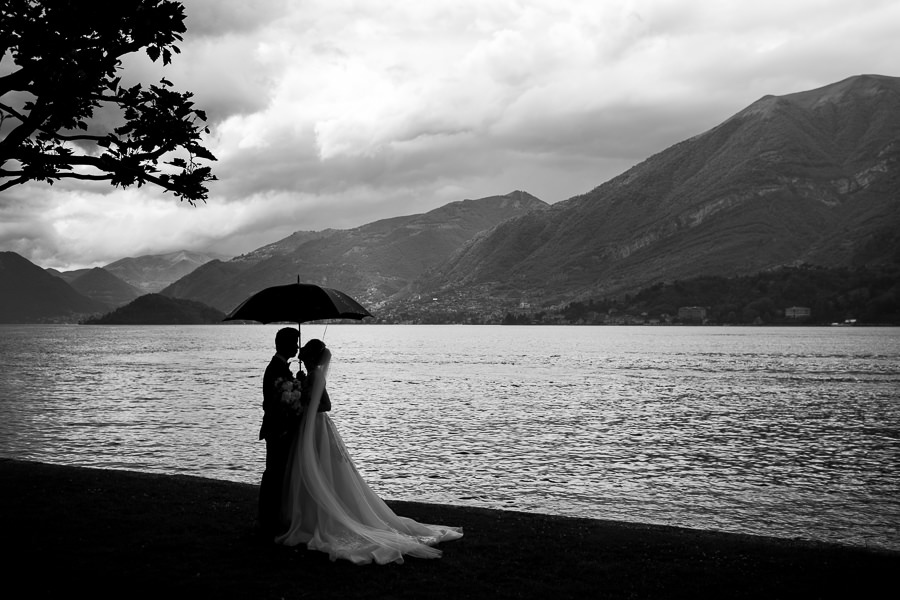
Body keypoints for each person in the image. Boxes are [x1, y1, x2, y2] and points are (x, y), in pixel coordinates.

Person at [275, 339, 463, 564]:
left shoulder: (315, 376)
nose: (300, 352)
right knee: (315, 470)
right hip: (311, 426)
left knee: (320, 469)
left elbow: (326, 405)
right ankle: (309, 514)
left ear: (311, 356)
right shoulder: (310, 376)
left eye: (304, 350)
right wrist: (301, 386)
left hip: (315, 427)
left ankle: (319, 517)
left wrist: (304, 399)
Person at [257, 327, 305, 537]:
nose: (297, 347)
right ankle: (268, 520)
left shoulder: (281, 368)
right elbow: (276, 402)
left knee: (278, 474)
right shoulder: (275, 368)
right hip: (278, 430)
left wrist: (298, 382)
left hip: (280, 429)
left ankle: (271, 518)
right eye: (295, 343)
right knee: (274, 474)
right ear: (285, 345)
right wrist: (298, 388)